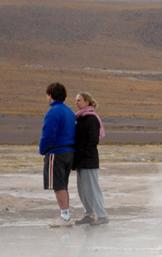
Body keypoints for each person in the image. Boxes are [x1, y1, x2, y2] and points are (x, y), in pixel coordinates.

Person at [39, 82, 77, 227]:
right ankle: (65, 215)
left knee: (58, 185)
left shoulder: (53, 112)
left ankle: (65, 217)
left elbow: (48, 134)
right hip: (69, 151)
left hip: (57, 152)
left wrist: (42, 149)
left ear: (50, 95)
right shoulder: (69, 111)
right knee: (63, 184)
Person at [72, 91, 109, 226]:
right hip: (80, 160)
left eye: (79, 100)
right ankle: (89, 214)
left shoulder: (92, 119)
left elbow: (92, 140)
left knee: (92, 188)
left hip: (88, 159)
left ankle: (102, 215)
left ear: (87, 102)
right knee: (82, 189)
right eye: (76, 100)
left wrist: (84, 154)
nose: (76, 103)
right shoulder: (79, 118)